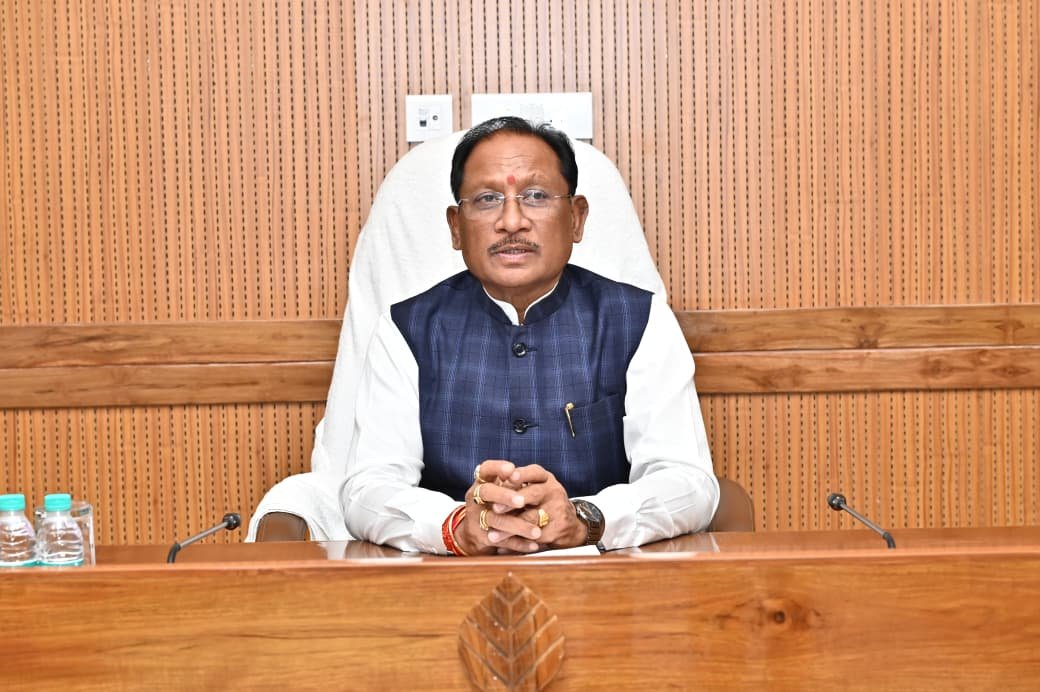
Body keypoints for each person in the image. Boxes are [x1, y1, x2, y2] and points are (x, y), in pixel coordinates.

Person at [341, 116, 718, 555]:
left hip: (603, 580)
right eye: (487, 199)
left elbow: (688, 483)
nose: (512, 221)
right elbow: (367, 488)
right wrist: (455, 526)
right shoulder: (407, 328)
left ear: (576, 218)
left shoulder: (638, 319)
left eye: (536, 196)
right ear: (456, 227)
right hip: (451, 580)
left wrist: (585, 518)